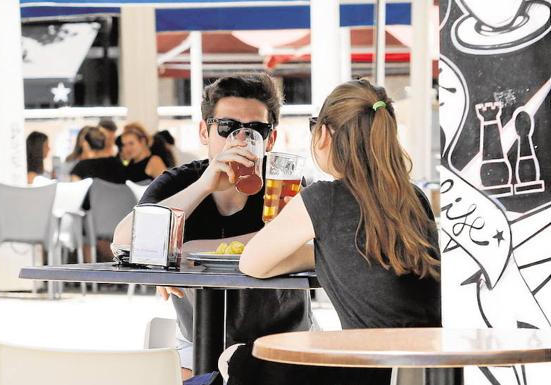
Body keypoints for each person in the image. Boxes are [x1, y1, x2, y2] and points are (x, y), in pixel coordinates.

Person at [237, 79, 441, 385]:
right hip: (429, 369)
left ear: (324, 134)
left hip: (366, 370)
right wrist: (322, 253)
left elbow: (250, 263)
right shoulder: (414, 197)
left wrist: (313, 254)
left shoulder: (324, 198)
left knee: (239, 360)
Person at [113, 73, 314, 380]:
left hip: (285, 343)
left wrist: (187, 250)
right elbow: (124, 241)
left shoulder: (284, 184)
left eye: (256, 130)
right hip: (198, 343)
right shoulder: (180, 183)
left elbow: (312, 245)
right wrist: (204, 185)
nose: (241, 140)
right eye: (227, 127)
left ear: (271, 139)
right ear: (204, 133)